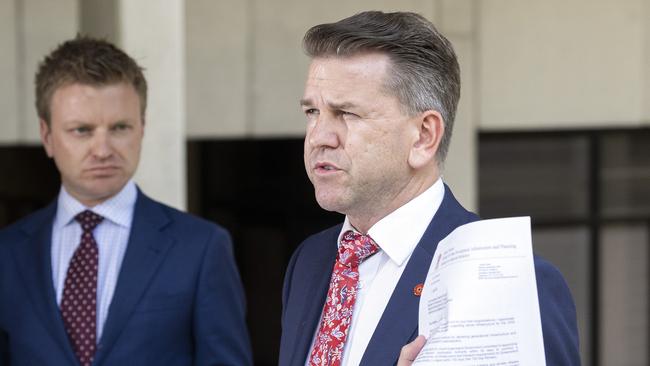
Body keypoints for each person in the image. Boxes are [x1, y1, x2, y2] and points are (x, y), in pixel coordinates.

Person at [279, 11, 580, 366]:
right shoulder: (311, 259)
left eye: (346, 113)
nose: (318, 138)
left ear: (424, 136)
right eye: (312, 112)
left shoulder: (506, 281)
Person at [0, 36, 252, 366]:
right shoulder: (8, 254)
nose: (103, 150)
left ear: (142, 128)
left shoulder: (201, 248)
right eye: (82, 130)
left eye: (120, 127)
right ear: (47, 136)